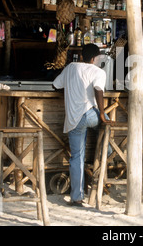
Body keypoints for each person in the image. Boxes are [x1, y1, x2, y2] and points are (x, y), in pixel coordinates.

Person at [53, 44, 109, 207]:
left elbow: (55, 85)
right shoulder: (98, 71)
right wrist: (101, 112)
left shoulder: (70, 67)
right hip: (91, 115)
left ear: (83, 56)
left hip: (73, 119)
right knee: (106, 125)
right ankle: (108, 152)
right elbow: (98, 89)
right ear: (94, 58)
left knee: (76, 157)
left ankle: (77, 197)